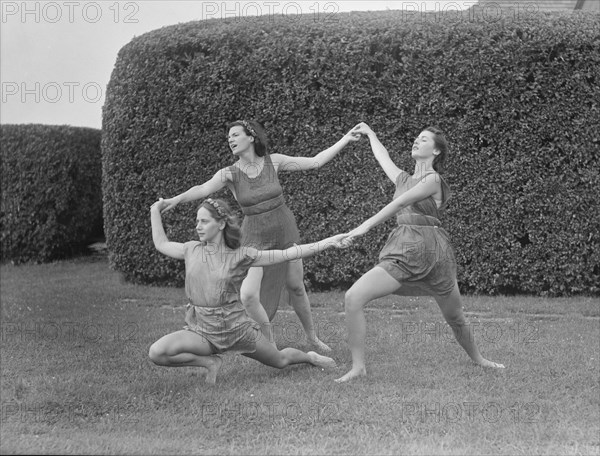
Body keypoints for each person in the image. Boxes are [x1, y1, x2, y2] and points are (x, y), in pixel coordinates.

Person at [161, 120, 360, 351]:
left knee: (296, 286)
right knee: (247, 295)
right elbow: (202, 189)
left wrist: (345, 138)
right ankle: (270, 344)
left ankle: (312, 338)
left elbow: (316, 161)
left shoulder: (273, 161)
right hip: (254, 235)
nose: (231, 140)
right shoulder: (229, 174)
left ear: (252, 137)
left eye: (235, 135)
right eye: (228, 138)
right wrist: (176, 199)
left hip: (284, 228)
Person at [335, 122, 505, 383]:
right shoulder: (404, 178)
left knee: (455, 316)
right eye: (416, 138)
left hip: (432, 253)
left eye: (424, 140)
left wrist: (362, 228)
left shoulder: (433, 179)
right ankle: (358, 367)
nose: (416, 141)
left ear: (436, 152)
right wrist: (371, 133)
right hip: (403, 250)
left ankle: (479, 359)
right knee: (353, 297)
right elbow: (384, 158)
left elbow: (401, 201)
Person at [148, 197, 343, 384]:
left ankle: (310, 357)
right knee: (157, 352)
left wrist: (329, 242)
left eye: (204, 221)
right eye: (197, 221)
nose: (198, 226)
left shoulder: (241, 255)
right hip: (203, 331)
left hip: (237, 330)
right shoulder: (191, 250)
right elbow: (161, 244)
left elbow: (286, 254)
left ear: (221, 224)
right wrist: (155, 210)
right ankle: (210, 362)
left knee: (280, 361)